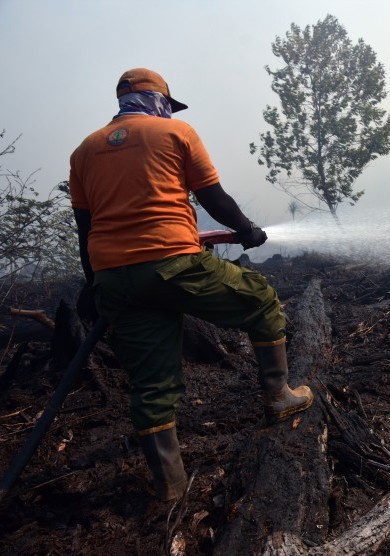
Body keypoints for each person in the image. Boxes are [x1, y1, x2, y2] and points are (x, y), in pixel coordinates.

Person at [69, 68, 313, 501]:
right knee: (260, 300)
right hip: (173, 263)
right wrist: (248, 230)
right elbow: (212, 197)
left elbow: (85, 229)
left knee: (152, 385)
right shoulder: (175, 132)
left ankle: (171, 487)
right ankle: (279, 396)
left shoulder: (84, 151)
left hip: (115, 278)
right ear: (159, 100)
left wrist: (95, 288)